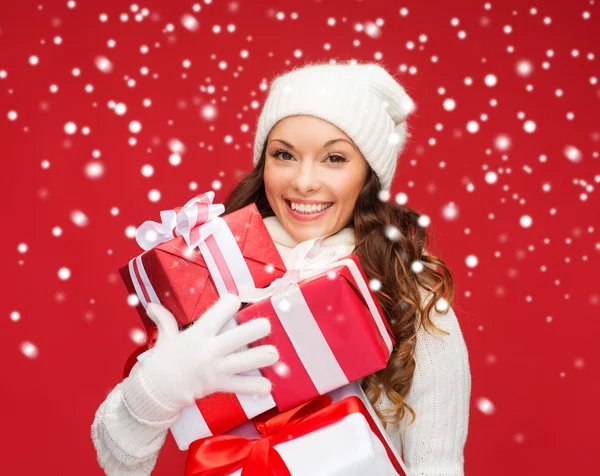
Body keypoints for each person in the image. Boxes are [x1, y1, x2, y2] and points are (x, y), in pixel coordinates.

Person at [92, 61, 471, 475]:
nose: (304, 182)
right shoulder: (213, 274)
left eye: (334, 158)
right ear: (264, 163)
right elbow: (120, 461)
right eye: (285, 154)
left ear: (368, 174)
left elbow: (438, 467)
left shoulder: (410, 300)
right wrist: (156, 390)